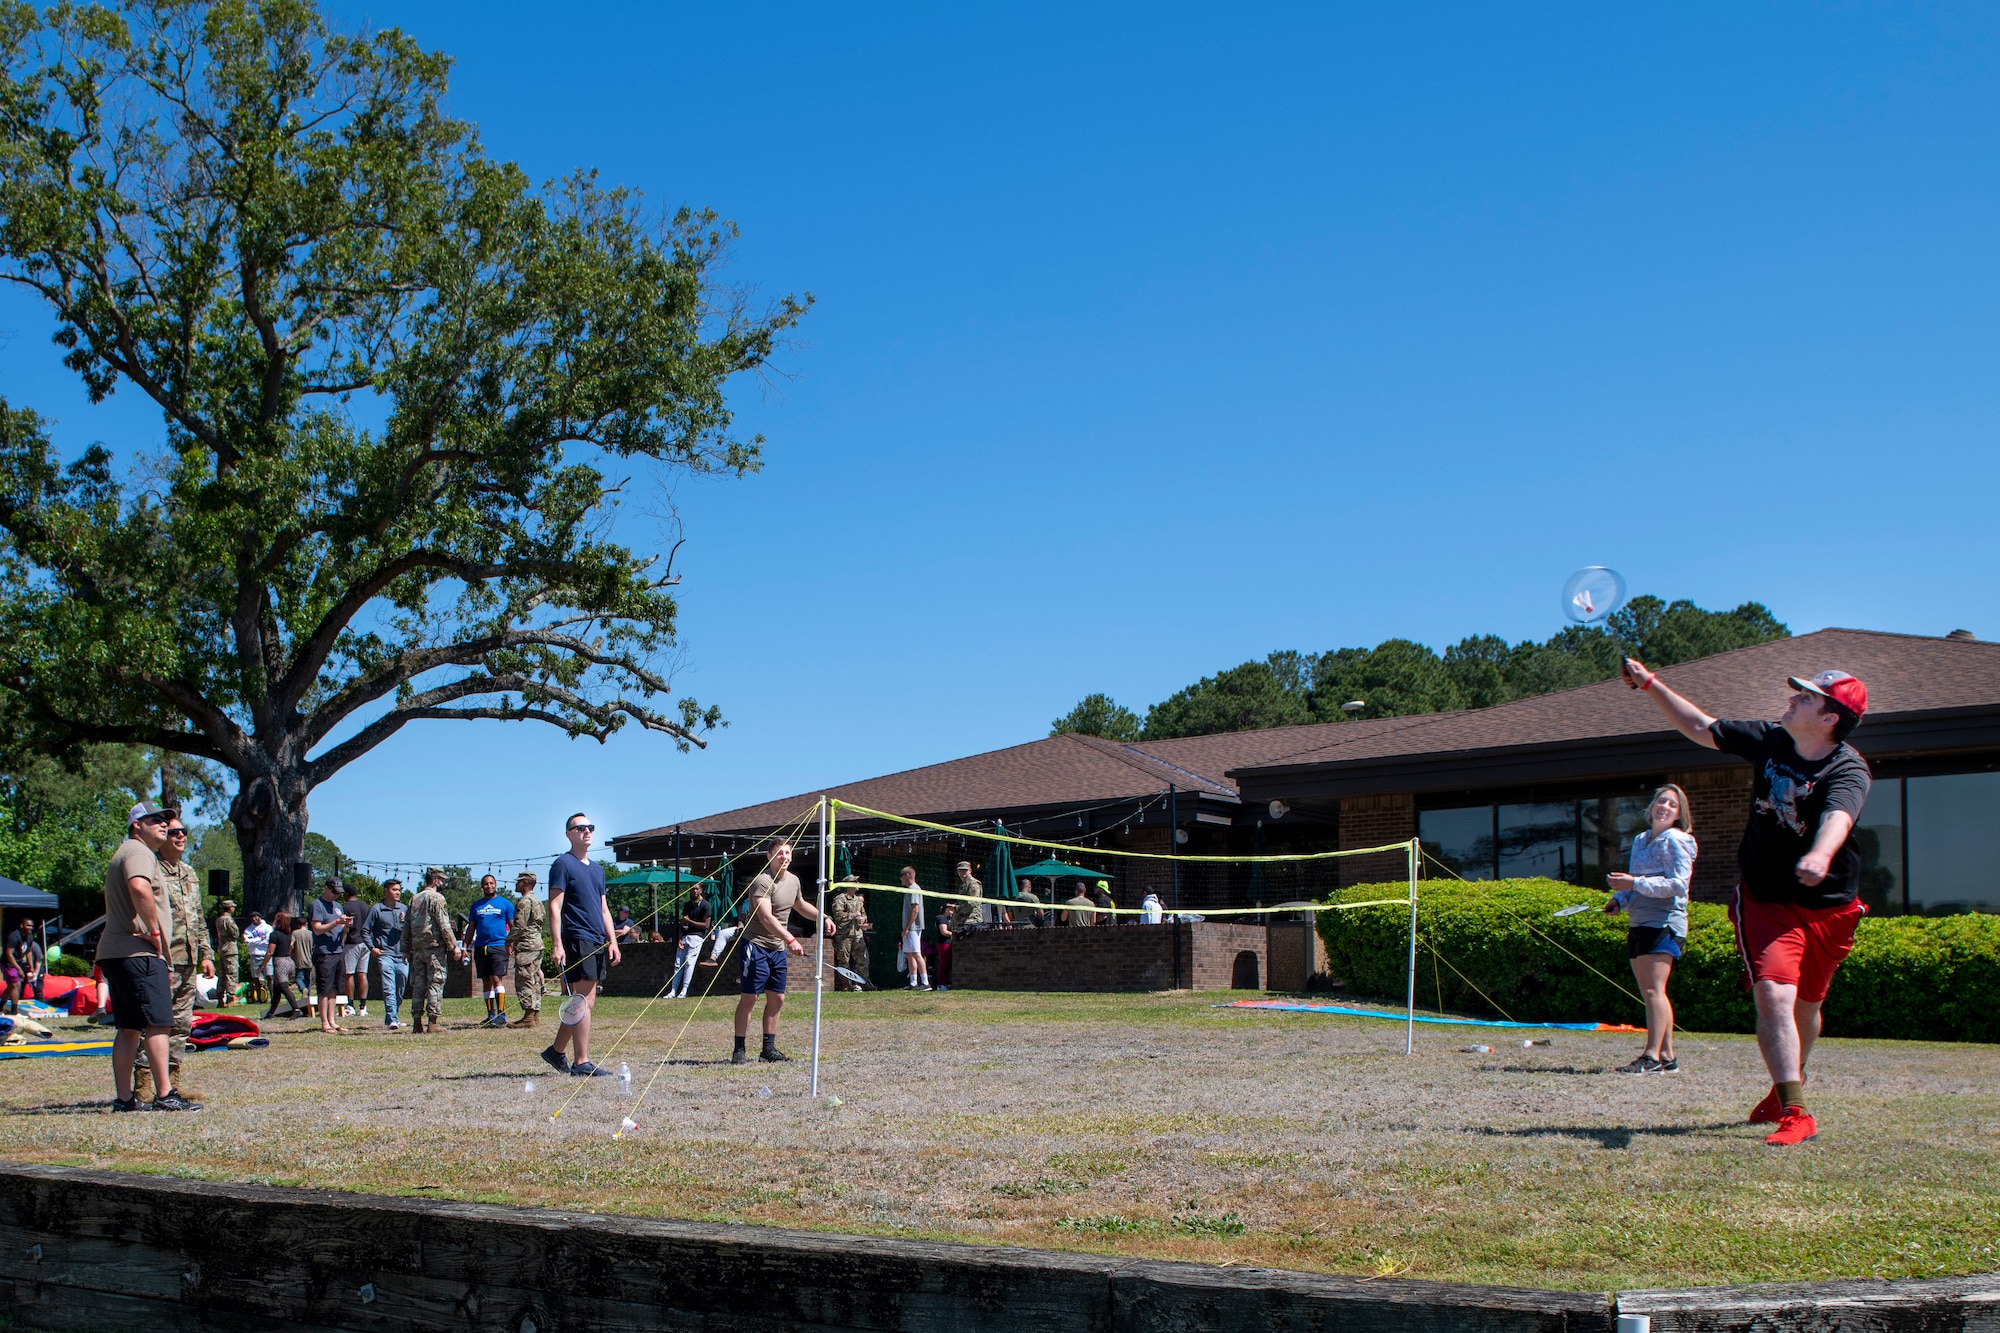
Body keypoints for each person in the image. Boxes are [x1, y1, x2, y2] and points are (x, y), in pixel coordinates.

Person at [1625, 657, 1873, 1146]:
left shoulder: (1848, 768)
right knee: (1773, 994)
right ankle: (1796, 1110)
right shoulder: (1771, 740)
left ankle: (1784, 1088)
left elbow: (1838, 819)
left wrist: (1820, 856)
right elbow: (1701, 726)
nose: (1792, 698)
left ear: (1829, 718)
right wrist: (1650, 683)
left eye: (1806, 697)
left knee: (1808, 1003)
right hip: (1765, 900)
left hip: (1829, 905)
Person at [101, 801, 198, 1112]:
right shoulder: (139, 851)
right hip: (138, 953)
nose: (163, 824)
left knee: (128, 1028)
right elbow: (139, 887)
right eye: (154, 819)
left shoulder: (126, 851)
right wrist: (154, 933)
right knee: (159, 1024)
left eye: (165, 819)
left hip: (117, 953)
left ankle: (125, 1099)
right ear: (136, 825)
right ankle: (165, 1094)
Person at [1604, 785, 1697, 1074]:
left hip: (1664, 921)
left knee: (1654, 990)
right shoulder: (1641, 840)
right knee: (1650, 992)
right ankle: (1667, 1056)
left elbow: (1678, 885)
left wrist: (1632, 883)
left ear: (1679, 813)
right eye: (1661, 801)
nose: (1665, 806)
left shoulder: (1677, 840)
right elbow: (1637, 883)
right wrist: (1619, 899)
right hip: (1639, 921)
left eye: (1672, 804)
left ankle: (1652, 1056)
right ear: (1652, 807)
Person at [732, 840, 831, 1064]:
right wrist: (790, 939)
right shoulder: (761, 882)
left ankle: (768, 1049)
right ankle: (739, 1049)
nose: (783, 856)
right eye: (778, 853)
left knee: (777, 998)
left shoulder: (794, 881)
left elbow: (801, 905)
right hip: (755, 945)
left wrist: (823, 916)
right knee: (750, 998)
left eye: (787, 853)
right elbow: (766, 917)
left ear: (792, 857)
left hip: (776, 949)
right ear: (769, 857)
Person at [136, 814, 211, 1097]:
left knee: (181, 1025)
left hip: (189, 960)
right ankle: (143, 1088)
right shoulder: (151, 869)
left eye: (184, 832)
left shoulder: (189, 872)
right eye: (173, 832)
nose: (180, 837)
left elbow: (199, 917)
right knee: (154, 1023)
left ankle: (171, 1085)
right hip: (161, 958)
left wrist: (206, 953)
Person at [546, 813, 620, 1077]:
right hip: (576, 937)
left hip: (596, 939)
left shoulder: (597, 869)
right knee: (583, 1000)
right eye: (580, 828)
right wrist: (557, 944)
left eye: (590, 827)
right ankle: (581, 1062)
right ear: (569, 834)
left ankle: (556, 1051)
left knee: (585, 1002)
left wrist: (612, 941)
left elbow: (604, 909)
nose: (586, 831)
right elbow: (554, 906)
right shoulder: (562, 864)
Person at [405, 868, 464, 1034]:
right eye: (441, 879)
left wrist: (404, 948)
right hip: (434, 948)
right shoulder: (437, 898)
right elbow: (444, 924)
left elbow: (407, 926)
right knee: (435, 983)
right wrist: (454, 946)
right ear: (436, 880)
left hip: (417, 949)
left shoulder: (414, 899)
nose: (443, 883)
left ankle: (417, 1022)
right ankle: (433, 1022)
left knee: (418, 985)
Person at [467, 873, 517, 1028]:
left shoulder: (505, 904)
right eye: (486, 884)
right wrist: (464, 946)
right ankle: (490, 1015)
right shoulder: (476, 906)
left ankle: (502, 1014)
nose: (489, 886)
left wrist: (512, 943)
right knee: (486, 980)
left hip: (499, 945)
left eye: (491, 883)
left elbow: (513, 925)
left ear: (495, 885)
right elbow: (471, 928)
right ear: (482, 886)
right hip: (481, 946)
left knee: (496, 978)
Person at [308, 879, 353, 1034]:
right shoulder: (317, 905)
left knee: (334, 988)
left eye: (338, 893)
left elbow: (341, 932)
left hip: (338, 950)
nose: (336, 896)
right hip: (324, 952)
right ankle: (324, 1022)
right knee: (324, 989)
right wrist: (336, 922)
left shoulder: (339, 907)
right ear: (326, 888)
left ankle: (332, 1020)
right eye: (334, 892)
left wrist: (346, 925)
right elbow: (317, 929)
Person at [366, 879, 409, 1029]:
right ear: (385, 891)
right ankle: (392, 1018)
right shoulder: (377, 909)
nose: (397, 893)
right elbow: (365, 931)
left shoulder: (403, 909)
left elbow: (409, 931)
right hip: (385, 954)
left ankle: (393, 1016)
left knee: (401, 985)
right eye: (394, 890)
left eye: (399, 890)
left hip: (402, 955)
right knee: (388, 987)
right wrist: (372, 948)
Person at [508, 872, 548, 1028]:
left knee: (525, 979)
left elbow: (519, 925)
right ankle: (535, 1014)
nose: (516, 885)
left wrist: (509, 940)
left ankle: (528, 1017)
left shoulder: (525, 902)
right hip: (537, 944)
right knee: (535, 979)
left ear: (525, 882)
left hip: (526, 945)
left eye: (518, 882)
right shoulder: (537, 901)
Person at [670, 882, 713, 999]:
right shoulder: (688, 905)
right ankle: (673, 990)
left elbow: (706, 925)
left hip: (697, 937)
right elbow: (682, 923)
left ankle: (684, 990)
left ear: (701, 890)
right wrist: (679, 938)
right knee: (678, 964)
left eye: (696, 889)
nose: (694, 891)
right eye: (692, 889)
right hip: (685, 937)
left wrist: (689, 921)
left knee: (689, 963)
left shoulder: (706, 905)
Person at [261, 913, 308, 1019]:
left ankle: (296, 1009)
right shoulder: (288, 934)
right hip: (289, 961)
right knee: (277, 989)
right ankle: (271, 1013)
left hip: (280, 962)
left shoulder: (274, 935)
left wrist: (262, 966)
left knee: (283, 986)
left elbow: (270, 952)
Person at [828, 878, 870, 991]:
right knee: (844, 961)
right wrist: (853, 914)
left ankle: (866, 984)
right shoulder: (840, 899)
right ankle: (846, 986)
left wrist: (863, 920)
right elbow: (838, 915)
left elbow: (863, 914)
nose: (858, 884)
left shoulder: (857, 900)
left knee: (862, 960)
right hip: (844, 935)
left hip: (857, 934)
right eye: (855, 882)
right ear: (849, 884)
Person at [897, 866, 931, 990]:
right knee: (909, 954)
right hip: (909, 927)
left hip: (913, 927)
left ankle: (925, 982)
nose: (900, 879)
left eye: (901, 875)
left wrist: (907, 927)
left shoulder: (914, 889)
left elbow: (915, 910)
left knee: (917, 953)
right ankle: (913, 983)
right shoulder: (910, 889)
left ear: (907, 875)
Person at [342, 884, 372, 1018]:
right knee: (362, 974)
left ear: (347, 894)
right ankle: (363, 1006)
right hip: (366, 942)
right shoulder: (366, 907)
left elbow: (345, 928)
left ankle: (350, 1005)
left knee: (349, 974)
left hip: (352, 942)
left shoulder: (346, 907)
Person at [213, 900, 240, 1008]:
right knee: (232, 974)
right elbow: (235, 933)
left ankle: (220, 998)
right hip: (230, 949)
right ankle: (230, 998)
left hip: (222, 949)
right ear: (229, 908)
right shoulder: (228, 919)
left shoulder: (219, 919)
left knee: (222, 974)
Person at [242, 911, 271, 1005]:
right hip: (254, 954)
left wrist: (254, 941)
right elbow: (247, 942)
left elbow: (268, 941)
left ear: (260, 917)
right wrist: (260, 939)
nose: (254, 919)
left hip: (266, 954)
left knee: (269, 976)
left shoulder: (267, 928)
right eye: (252, 918)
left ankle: (273, 996)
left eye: (256, 917)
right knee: (256, 977)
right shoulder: (249, 929)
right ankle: (258, 999)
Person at [3, 915, 30, 1015]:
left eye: (31, 926)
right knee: (16, 984)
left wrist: (30, 967)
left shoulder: (29, 937)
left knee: (10, 987)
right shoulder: (14, 936)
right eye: (28, 925)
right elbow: (9, 954)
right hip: (8, 963)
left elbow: (29, 951)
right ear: (22, 925)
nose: (30, 928)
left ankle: (0, 1007)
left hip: (17, 962)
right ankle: (14, 1012)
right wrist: (19, 969)